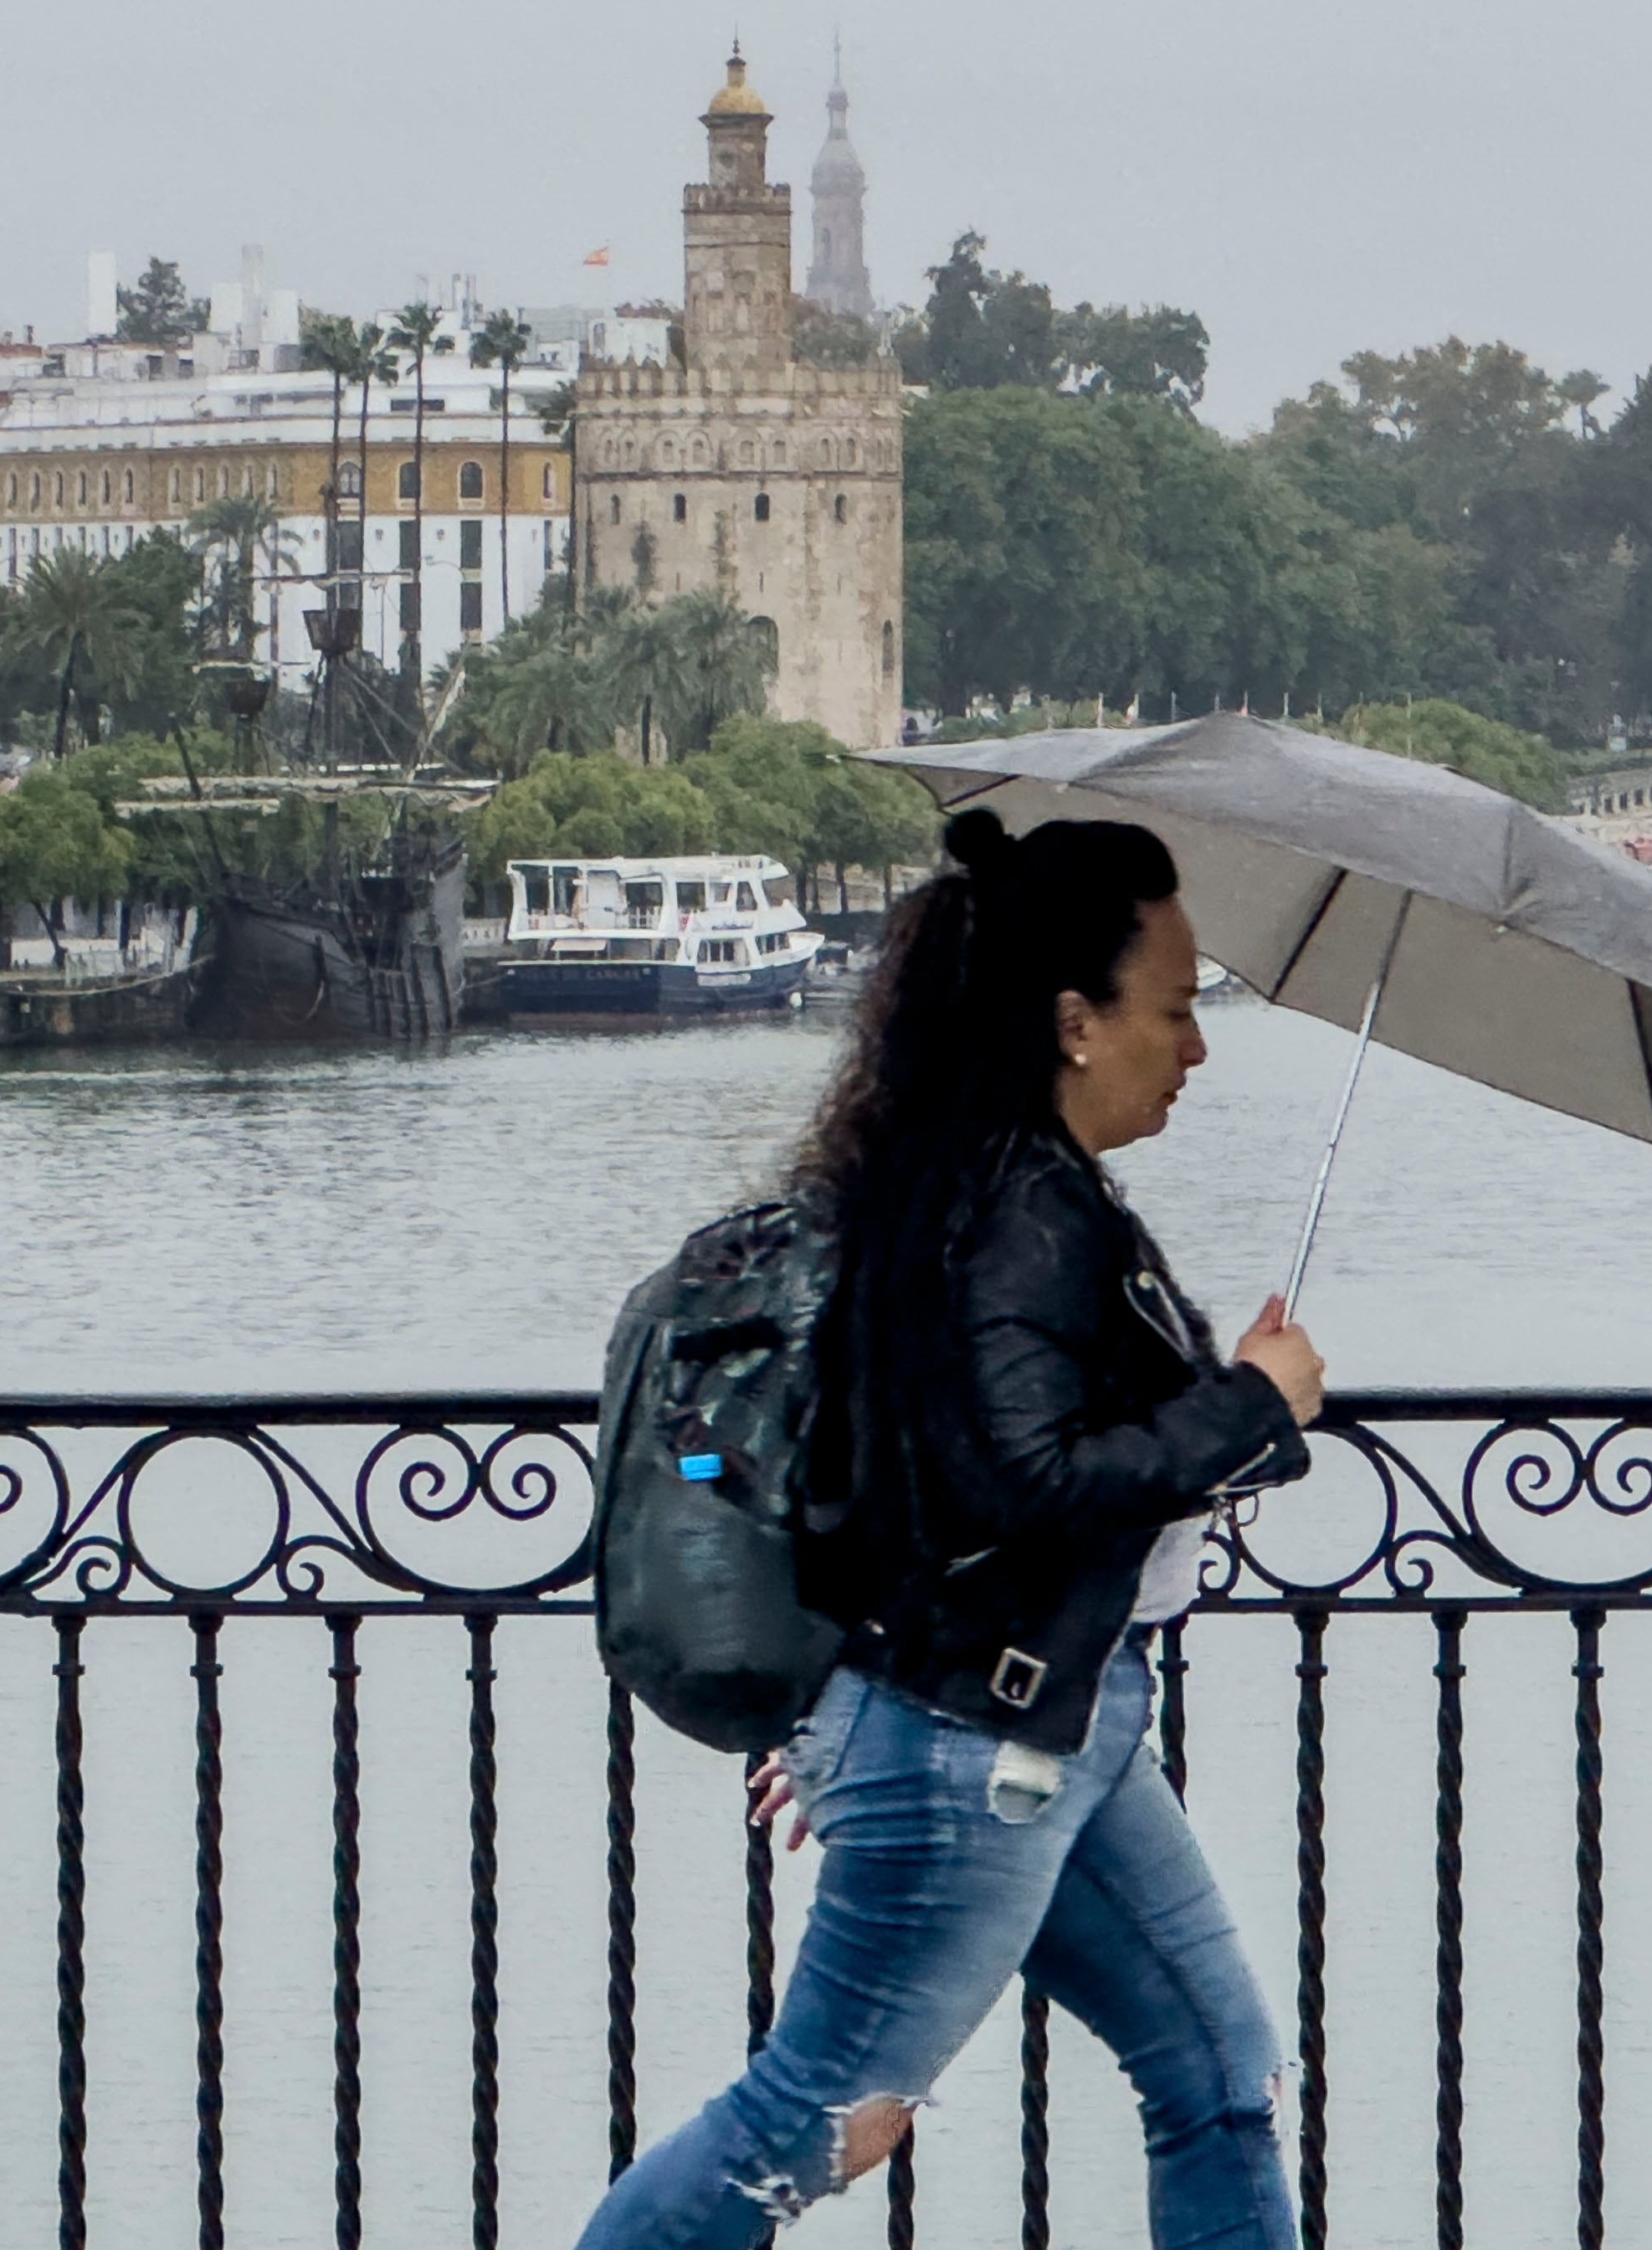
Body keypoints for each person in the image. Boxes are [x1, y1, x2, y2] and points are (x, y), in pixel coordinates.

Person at [577, 809, 1326, 2248]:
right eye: (1173, 1009)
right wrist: (1250, 1405)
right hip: (978, 1743)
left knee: (1220, 2073)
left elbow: (931, 1476)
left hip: (1046, 1720)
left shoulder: (978, 1185)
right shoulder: (1016, 1211)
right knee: (807, 2124)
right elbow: (1023, 1487)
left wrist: (1236, 1404)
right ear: (1075, 1022)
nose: (1198, 1045)